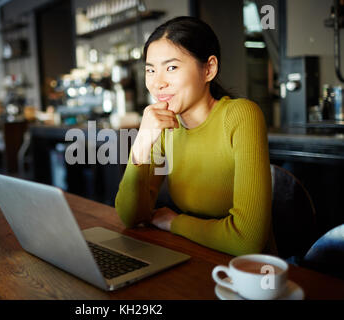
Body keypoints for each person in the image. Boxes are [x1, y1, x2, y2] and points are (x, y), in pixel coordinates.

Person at [115, 16, 276, 256]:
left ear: (208, 69)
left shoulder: (241, 115)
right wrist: (140, 145)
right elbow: (131, 216)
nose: (158, 83)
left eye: (171, 67)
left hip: (246, 274)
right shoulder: (165, 126)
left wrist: (174, 223)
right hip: (192, 255)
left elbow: (248, 241)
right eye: (150, 70)